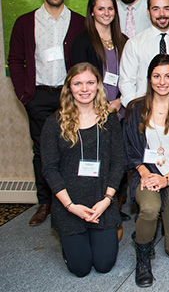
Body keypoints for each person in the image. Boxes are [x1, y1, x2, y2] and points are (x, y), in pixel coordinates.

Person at [8, 0, 85, 226]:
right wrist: (24, 94)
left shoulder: (78, 22)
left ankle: (73, 198)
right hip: (38, 96)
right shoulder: (25, 22)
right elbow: (16, 60)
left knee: (74, 148)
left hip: (70, 98)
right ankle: (46, 202)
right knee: (42, 151)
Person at [40, 63, 123, 277]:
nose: (84, 89)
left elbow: (118, 162)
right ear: (69, 87)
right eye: (78, 83)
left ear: (98, 86)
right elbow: (49, 169)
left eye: (90, 83)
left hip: (101, 203)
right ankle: (72, 245)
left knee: (104, 265)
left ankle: (107, 233)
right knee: (81, 269)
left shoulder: (109, 119)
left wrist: (106, 200)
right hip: (69, 205)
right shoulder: (53, 123)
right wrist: (70, 206)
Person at [123, 54, 169, 288]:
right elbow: (131, 150)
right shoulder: (135, 108)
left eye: (168, 76)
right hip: (145, 173)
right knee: (150, 208)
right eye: (156, 76)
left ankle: (154, 224)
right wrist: (145, 173)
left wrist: (166, 179)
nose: (162, 81)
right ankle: (143, 256)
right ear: (149, 78)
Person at [119, 0, 169, 107]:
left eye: (166, 8)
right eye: (156, 9)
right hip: (145, 111)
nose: (162, 14)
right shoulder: (134, 44)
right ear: (148, 12)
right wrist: (135, 110)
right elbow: (126, 82)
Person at [70, 0, 128, 119]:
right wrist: (100, 104)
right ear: (92, 12)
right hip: (92, 110)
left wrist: (120, 101)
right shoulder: (82, 42)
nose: (106, 13)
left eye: (110, 9)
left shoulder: (124, 41)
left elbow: (131, 76)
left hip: (121, 109)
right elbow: (79, 80)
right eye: (101, 9)